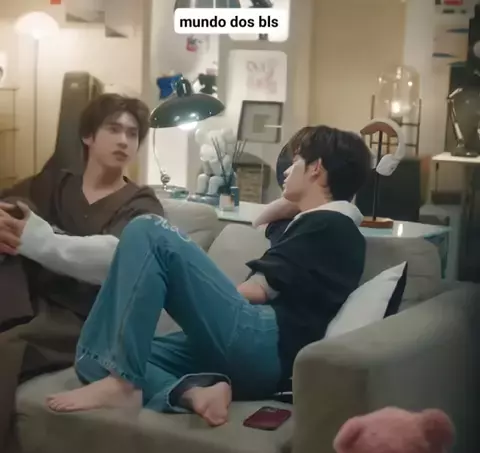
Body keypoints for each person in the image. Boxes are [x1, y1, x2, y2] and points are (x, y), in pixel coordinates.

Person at [47, 126, 371, 427]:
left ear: (316, 168)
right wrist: (290, 205)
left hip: (267, 342)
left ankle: (122, 386)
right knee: (98, 358)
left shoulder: (332, 225)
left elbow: (258, 290)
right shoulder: (320, 225)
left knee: (148, 230)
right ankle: (193, 394)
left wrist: (202, 296)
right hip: (256, 361)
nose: (286, 171)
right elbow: (269, 227)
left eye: (297, 161)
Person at [0, 93, 164, 453]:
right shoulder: (52, 184)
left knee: (6, 348)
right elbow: (14, 207)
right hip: (25, 301)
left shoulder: (141, 204)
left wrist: (40, 238)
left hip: (84, 320)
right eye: (114, 129)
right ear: (88, 136)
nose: (124, 140)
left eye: (133, 134)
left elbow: (114, 258)